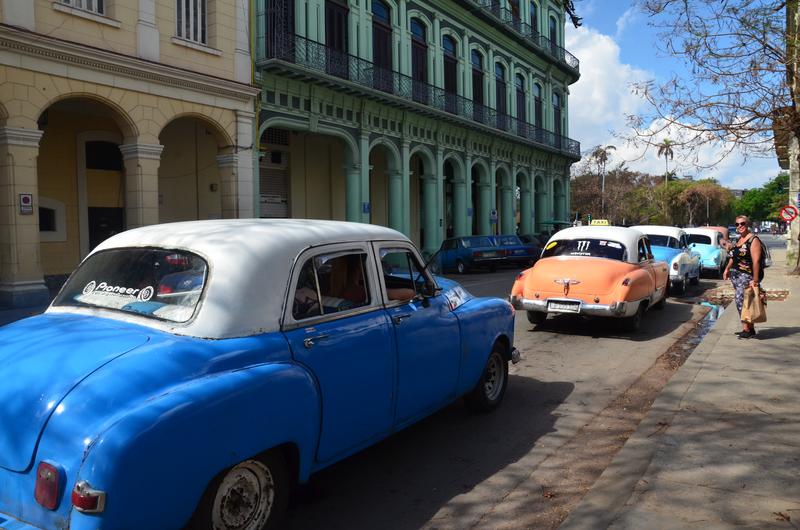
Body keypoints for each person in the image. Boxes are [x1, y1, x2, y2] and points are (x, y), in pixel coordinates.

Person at [722, 215, 763, 339]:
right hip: (735, 275)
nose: (739, 226)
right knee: (745, 301)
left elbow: (756, 261)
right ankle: (750, 328)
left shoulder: (753, 240)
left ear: (748, 224)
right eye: (737, 224)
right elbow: (733, 257)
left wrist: (755, 280)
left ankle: (746, 328)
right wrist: (727, 269)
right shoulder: (739, 239)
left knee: (740, 299)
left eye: (742, 223)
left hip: (747, 275)